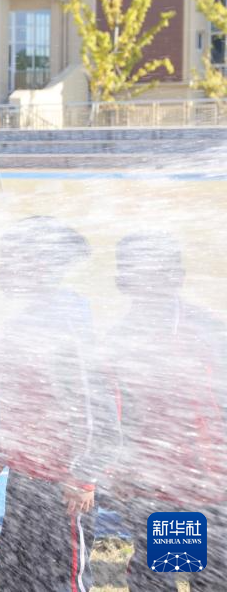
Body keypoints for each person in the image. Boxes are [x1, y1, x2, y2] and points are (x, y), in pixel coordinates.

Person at [0, 216, 118, 592]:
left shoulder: (67, 319)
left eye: (13, 258)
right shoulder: (23, 320)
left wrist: (85, 474)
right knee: (14, 569)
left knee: (62, 578)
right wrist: (1, 451)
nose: (3, 268)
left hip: (64, 483)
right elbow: (25, 402)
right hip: (26, 477)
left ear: (41, 265)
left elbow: (97, 407)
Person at [104, 233, 227, 591]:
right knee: (165, 569)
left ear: (176, 277)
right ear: (123, 282)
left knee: (213, 574)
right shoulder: (119, 338)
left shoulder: (208, 330)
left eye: (153, 274)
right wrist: (119, 467)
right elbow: (116, 412)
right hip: (159, 481)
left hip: (210, 476)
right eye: (133, 274)